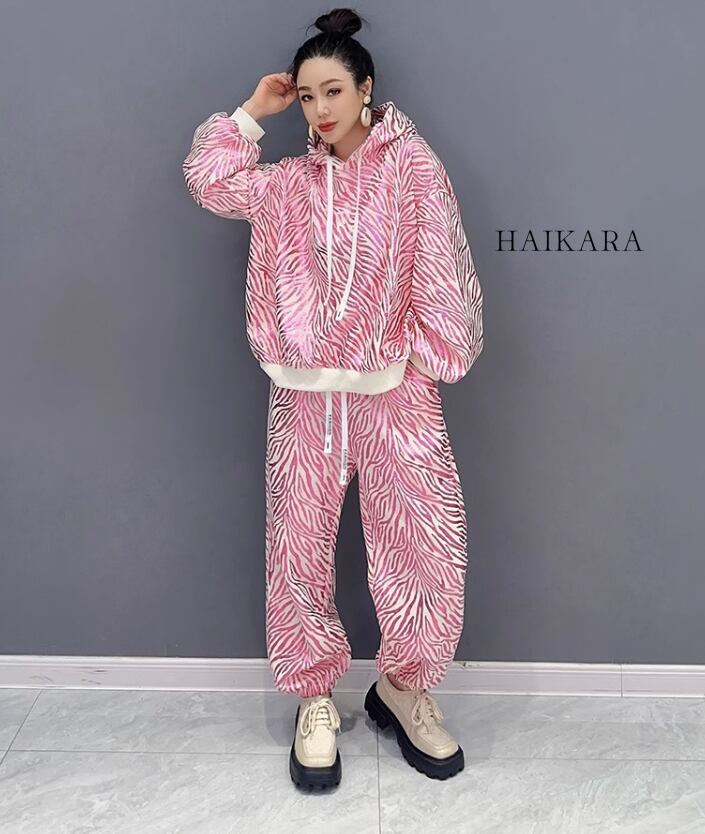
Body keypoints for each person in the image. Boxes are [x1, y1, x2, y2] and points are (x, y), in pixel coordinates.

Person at [182, 6, 484, 791]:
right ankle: (313, 698)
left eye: (333, 90)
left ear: (365, 88)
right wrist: (254, 111)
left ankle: (404, 688)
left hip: (396, 393)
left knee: (424, 543)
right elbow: (211, 182)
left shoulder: (411, 167)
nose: (318, 108)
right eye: (308, 94)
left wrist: (430, 358)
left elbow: (439, 262)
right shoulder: (287, 185)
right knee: (297, 547)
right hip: (303, 398)